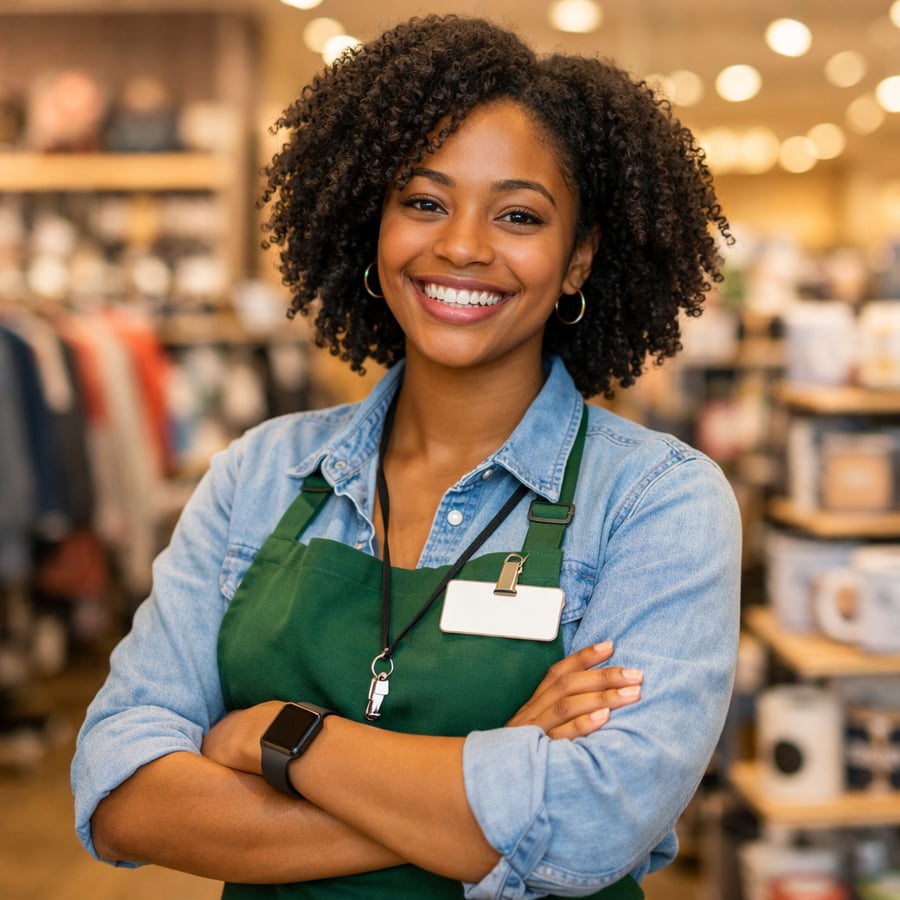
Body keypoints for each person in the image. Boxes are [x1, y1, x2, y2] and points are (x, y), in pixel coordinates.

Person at [72, 14, 741, 900]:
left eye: (518, 215)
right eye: (423, 202)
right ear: (370, 226)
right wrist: (489, 773)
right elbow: (121, 794)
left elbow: (590, 826)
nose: (461, 245)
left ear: (578, 259)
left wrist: (285, 737)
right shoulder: (260, 475)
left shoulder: (658, 500)